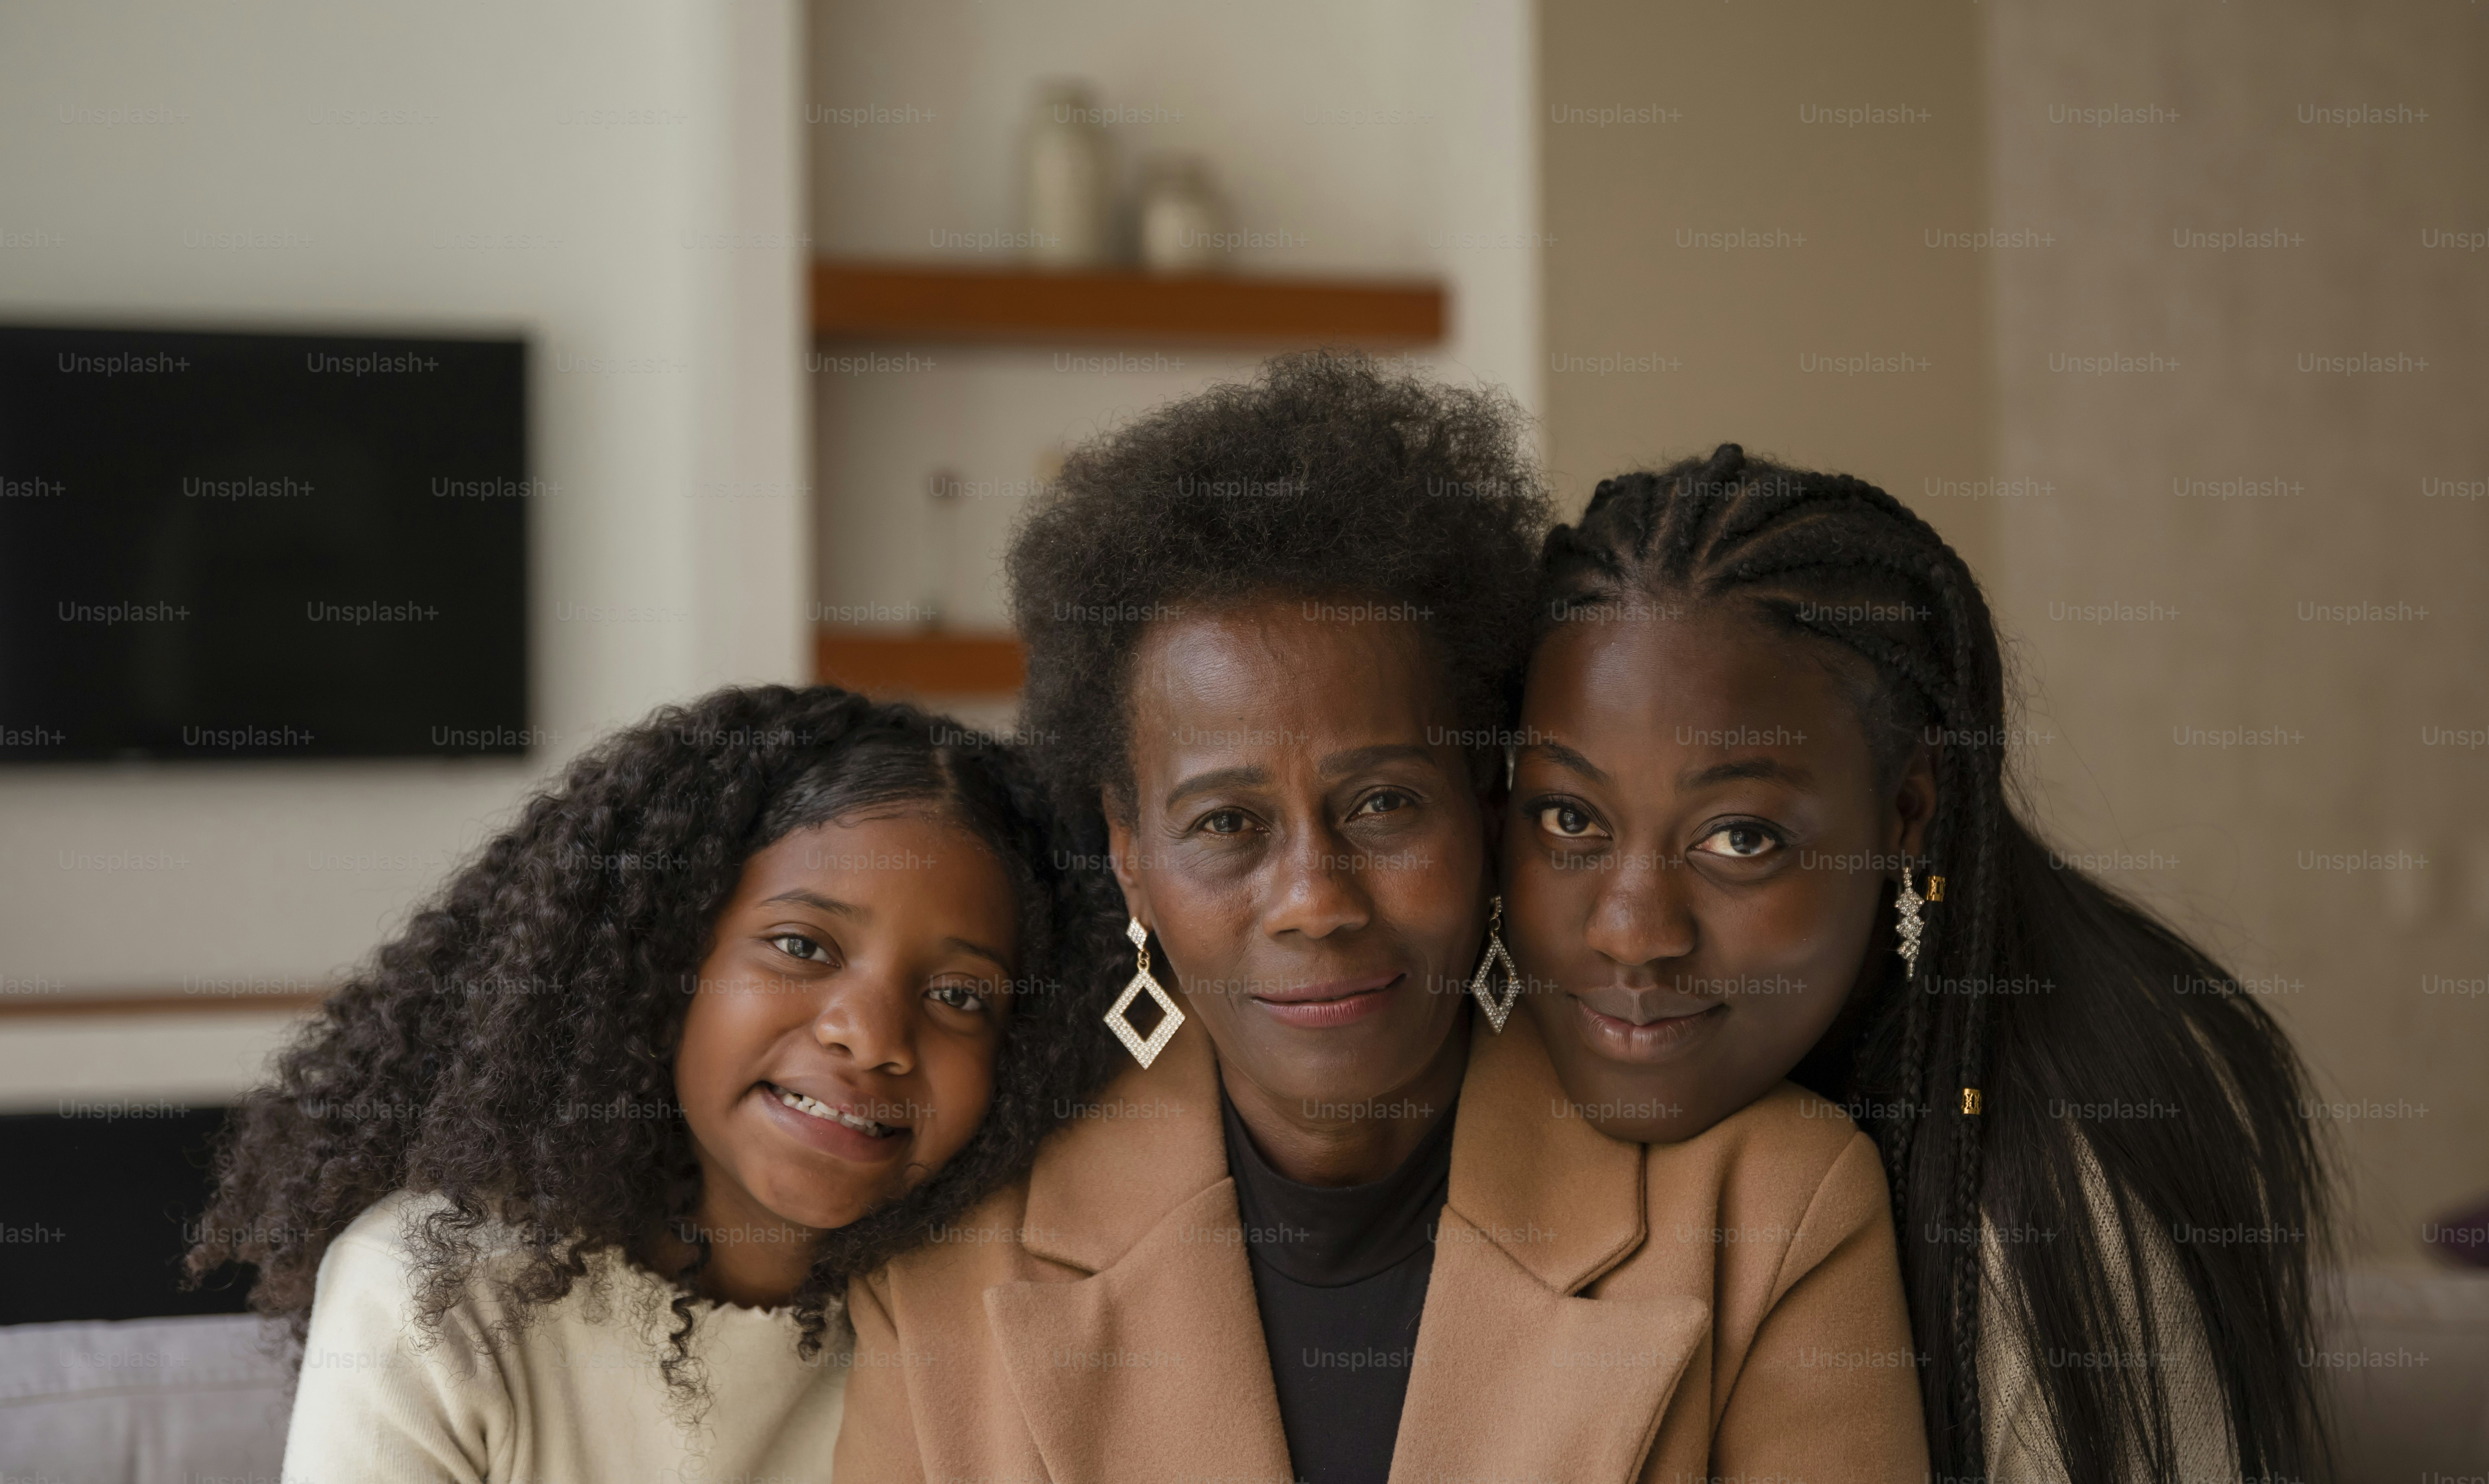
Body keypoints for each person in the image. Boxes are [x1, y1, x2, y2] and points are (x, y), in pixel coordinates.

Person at [833, 355, 1928, 1484]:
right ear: (1129, 855)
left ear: (1485, 810)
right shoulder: (944, 1262)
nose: (1315, 902)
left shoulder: (1769, 1208)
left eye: (1384, 804)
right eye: (1225, 825)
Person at [1503, 444, 2332, 1482]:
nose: (1629, 931)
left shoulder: (2065, 1202)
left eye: (1740, 837)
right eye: (1568, 816)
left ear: (1904, 814)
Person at [187, 684, 1124, 1484]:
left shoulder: (977, 1315)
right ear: (662, 957)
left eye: (960, 994)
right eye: (802, 946)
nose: (872, 1037)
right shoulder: (434, 1291)